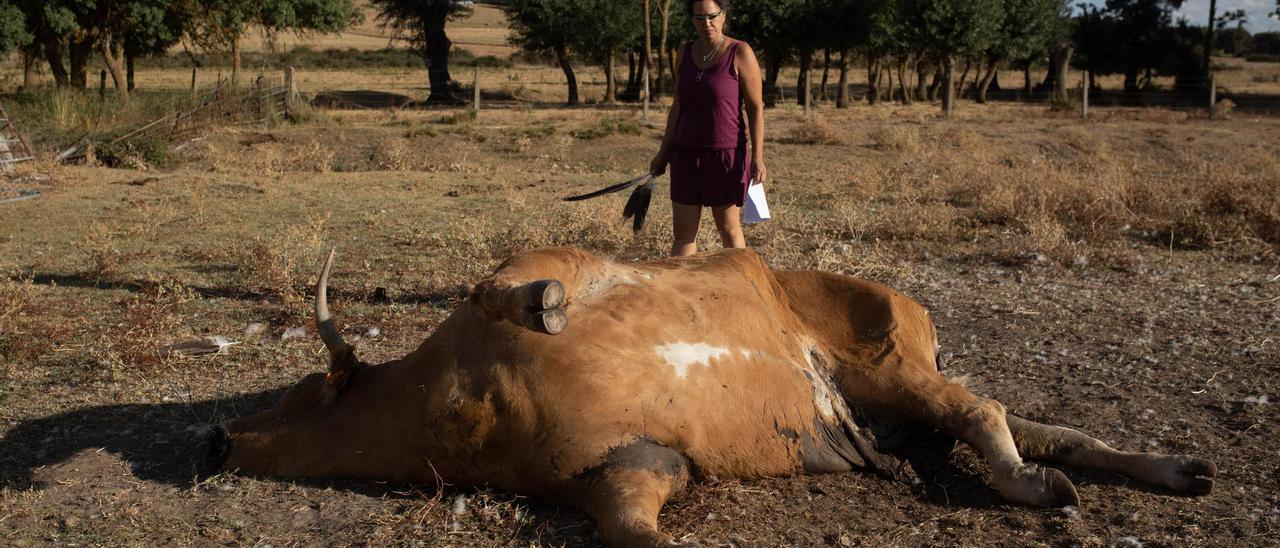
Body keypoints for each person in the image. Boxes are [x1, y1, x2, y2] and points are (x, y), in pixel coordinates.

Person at [649, 0, 767, 257]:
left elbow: (755, 108)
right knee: (683, 234)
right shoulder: (684, 52)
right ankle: (682, 292)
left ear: (724, 14)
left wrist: (757, 157)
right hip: (685, 156)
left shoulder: (740, 52)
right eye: (699, 18)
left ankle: (743, 288)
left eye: (712, 16)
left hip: (724, 154)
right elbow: (678, 106)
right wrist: (663, 153)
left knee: (728, 228)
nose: (707, 24)